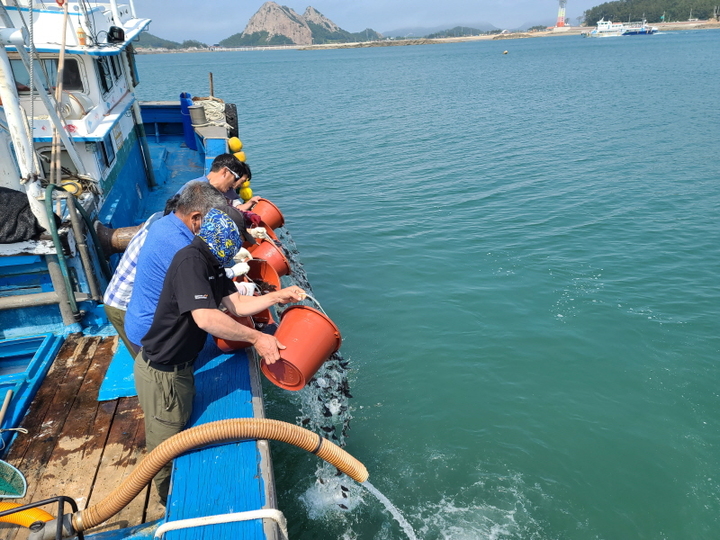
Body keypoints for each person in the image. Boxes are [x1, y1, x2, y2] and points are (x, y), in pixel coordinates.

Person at [134, 208, 305, 504]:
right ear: (223, 237)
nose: (238, 248)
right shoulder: (190, 261)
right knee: (165, 445)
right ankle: (166, 502)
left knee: (177, 429)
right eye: (236, 240)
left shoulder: (211, 263)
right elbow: (205, 318)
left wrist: (278, 296)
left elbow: (236, 304)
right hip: (163, 374)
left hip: (180, 369)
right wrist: (257, 337)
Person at [124, 181, 227, 351]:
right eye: (210, 223)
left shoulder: (163, 224)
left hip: (138, 322)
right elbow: (204, 314)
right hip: (155, 338)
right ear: (195, 217)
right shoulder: (182, 248)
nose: (212, 229)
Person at [177, 153, 260, 210]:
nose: (234, 183)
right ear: (225, 172)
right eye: (236, 178)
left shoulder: (211, 189)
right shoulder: (196, 190)